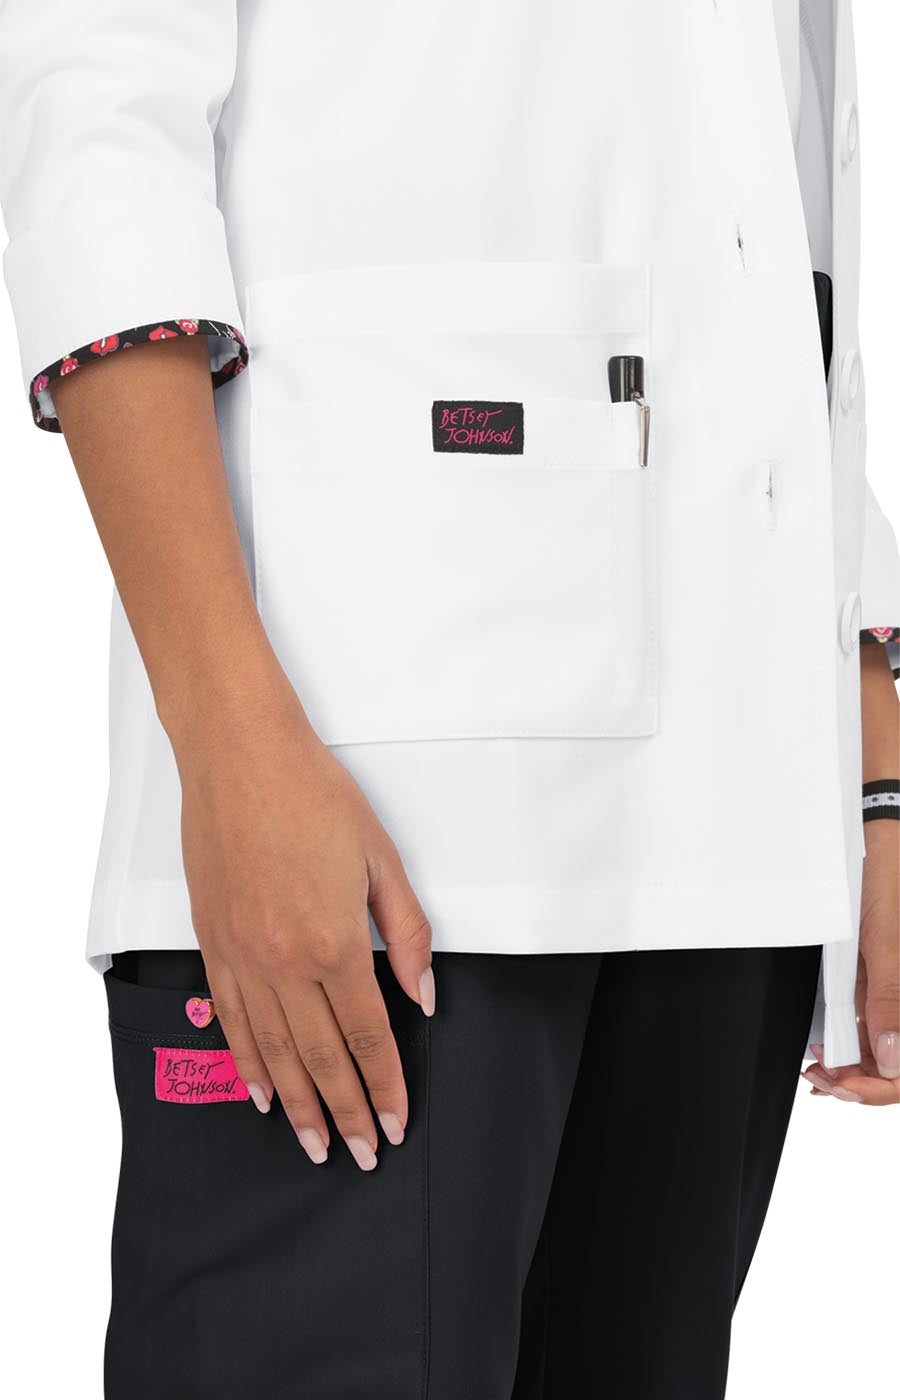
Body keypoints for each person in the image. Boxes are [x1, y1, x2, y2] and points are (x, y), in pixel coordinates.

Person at [1, 2, 897, 1397]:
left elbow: (781, 183)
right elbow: (95, 117)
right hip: (363, 795)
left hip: (736, 803)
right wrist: (229, 742)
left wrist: (871, 747)